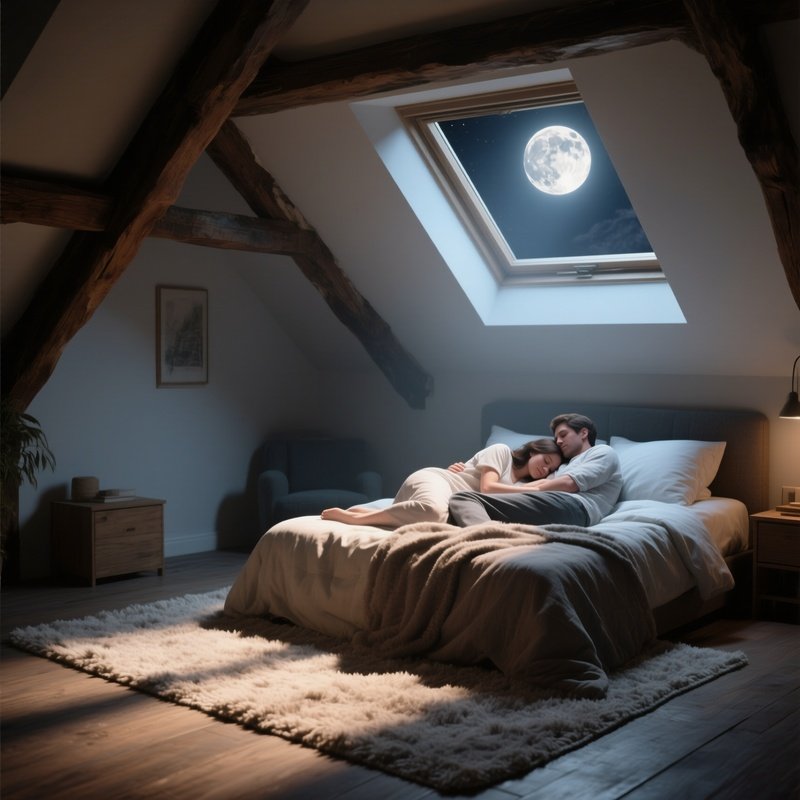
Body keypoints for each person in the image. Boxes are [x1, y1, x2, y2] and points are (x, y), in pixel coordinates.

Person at [321, 438, 563, 527]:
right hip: (437, 480)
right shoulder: (502, 452)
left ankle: (380, 513)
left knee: (436, 520)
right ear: (535, 450)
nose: (545, 469)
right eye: (547, 460)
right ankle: (357, 518)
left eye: (550, 469)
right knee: (434, 512)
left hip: (447, 505)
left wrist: (533, 487)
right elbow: (487, 488)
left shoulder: (521, 489)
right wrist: (536, 487)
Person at [448, 413, 621, 528]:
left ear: (583, 433)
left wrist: (535, 489)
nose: (558, 441)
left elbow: (568, 484)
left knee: (463, 499)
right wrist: (466, 470)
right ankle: (491, 534)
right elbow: (542, 482)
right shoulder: (564, 466)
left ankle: (488, 537)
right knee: (466, 505)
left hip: (574, 507)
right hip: (554, 504)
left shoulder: (602, 452)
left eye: (563, 434)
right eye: (556, 438)